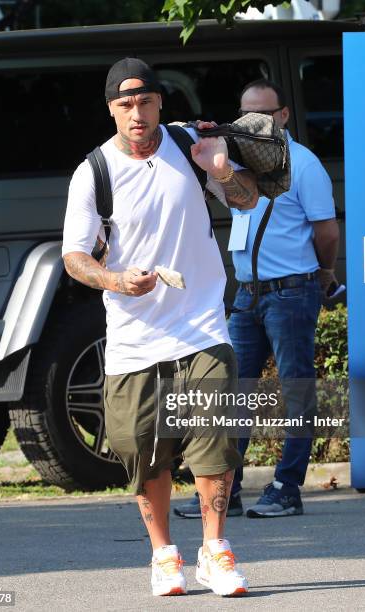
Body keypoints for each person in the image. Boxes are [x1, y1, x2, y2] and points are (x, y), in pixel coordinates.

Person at [62, 58, 259, 596]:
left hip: (202, 325)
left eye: (145, 102)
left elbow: (248, 199)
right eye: (125, 105)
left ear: (159, 103)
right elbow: (74, 257)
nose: (137, 114)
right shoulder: (94, 172)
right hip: (134, 336)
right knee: (142, 448)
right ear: (111, 110)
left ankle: (216, 551)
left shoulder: (189, 149)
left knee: (214, 443)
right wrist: (115, 280)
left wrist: (220, 169)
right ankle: (164, 555)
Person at [174, 78, 339, 520]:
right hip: (247, 294)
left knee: (296, 390)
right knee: (232, 391)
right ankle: (226, 485)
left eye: (264, 115)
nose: (254, 123)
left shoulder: (303, 164)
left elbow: (327, 231)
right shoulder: (233, 162)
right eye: (246, 115)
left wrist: (324, 273)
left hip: (291, 290)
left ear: (283, 116)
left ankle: (287, 487)